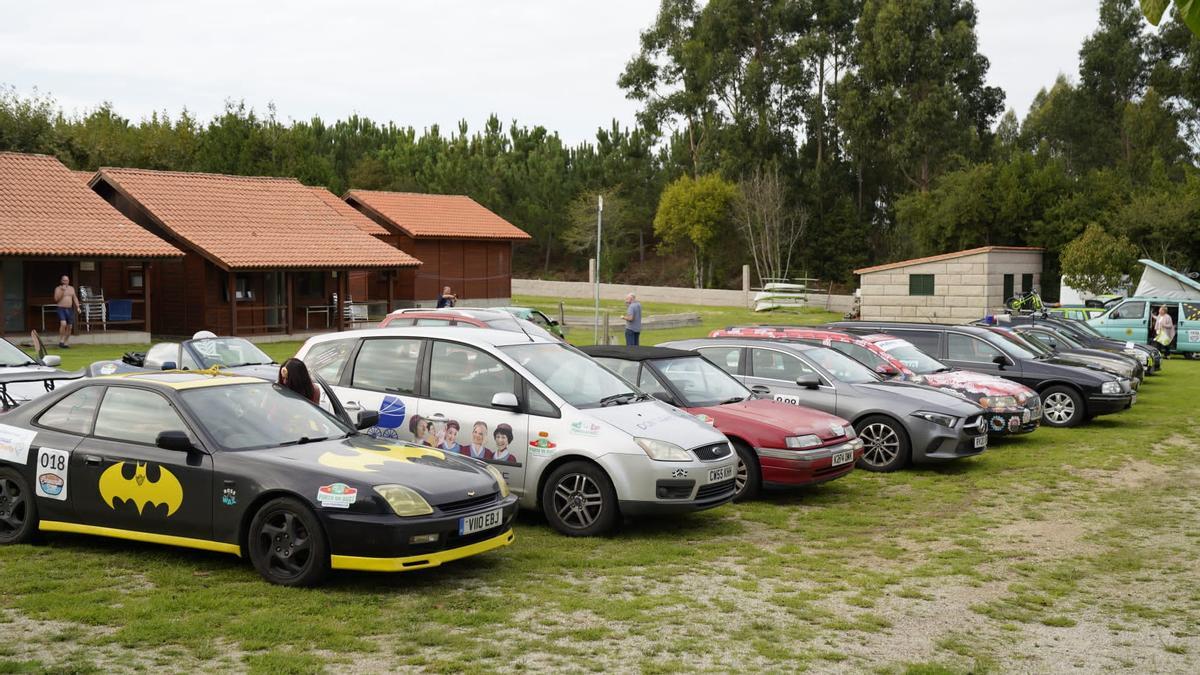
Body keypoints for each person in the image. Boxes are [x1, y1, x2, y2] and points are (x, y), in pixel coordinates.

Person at [53, 275, 81, 349]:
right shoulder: (58, 288)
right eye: (64, 280)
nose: (66, 282)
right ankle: (61, 340)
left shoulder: (71, 288)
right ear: (62, 281)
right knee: (63, 323)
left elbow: (74, 297)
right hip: (61, 308)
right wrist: (62, 291)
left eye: (67, 280)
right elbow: (56, 299)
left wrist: (78, 306)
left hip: (69, 309)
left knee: (70, 326)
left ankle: (65, 342)